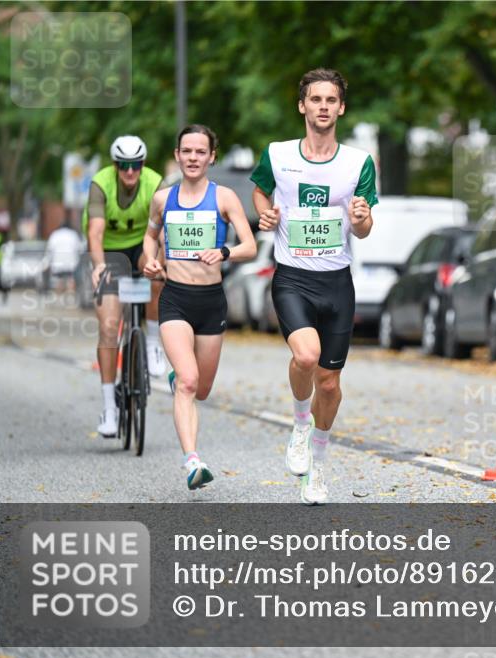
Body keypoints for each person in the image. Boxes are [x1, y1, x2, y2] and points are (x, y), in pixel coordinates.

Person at [250, 68, 377, 505]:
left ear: (341, 107)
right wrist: (267, 216)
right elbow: (261, 193)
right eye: (315, 99)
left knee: (329, 382)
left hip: (336, 281)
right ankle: (300, 424)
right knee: (305, 355)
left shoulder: (358, 162)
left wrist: (360, 219)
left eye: (331, 100)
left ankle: (318, 464)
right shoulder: (277, 153)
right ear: (302, 105)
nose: (323, 106)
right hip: (292, 277)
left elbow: (363, 228)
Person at [142, 124, 256, 490]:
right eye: (186, 151)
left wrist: (224, 251)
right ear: (177, 155)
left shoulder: (224, 198)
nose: (193, 158)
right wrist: (150, 261)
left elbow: (250, 247)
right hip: (175, 297)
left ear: (211, 157)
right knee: (189, 382)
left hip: (211, 301)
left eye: (200, 152)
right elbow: (150, 236)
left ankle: (182, 381)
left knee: (201, 389)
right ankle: (193, 461)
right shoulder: (163, 198)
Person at [83, 136, 165, 437]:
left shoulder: (155, 182)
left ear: (143, 165)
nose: (130, 172)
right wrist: (99, 265)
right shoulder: (100, 184)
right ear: (115, 165)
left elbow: (163, 228)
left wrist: (164, 261)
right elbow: (95, 231)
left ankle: (154, 343)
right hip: (110, 252)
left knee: (156, 269)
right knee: (108, 326)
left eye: (136, 165)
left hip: (142, 246)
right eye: (123, 165)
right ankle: (109, 406)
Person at [44, 222, 83, 294]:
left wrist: (47, 262)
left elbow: (49, 250)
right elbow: (79, 249)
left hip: (57, 262)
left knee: (59, 281)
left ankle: (59, 299)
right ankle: (70, 298)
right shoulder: (73, 234)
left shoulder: (55, 234)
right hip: (71, 262)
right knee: (71, 280)